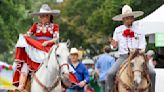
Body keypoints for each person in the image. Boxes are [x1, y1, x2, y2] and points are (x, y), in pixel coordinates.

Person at [107, 5, 156, 92]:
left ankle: (152, 90)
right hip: (123, 57)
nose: (129, 20)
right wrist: (114, 46)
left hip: (138, 57)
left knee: (152, 73)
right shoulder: (118, 30)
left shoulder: (139, 30)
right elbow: (114, 47)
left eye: (130, 18)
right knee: (110, 74)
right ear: (123, 19)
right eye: (126, 18)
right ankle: (111, 90)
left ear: (133, 18)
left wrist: (137, 51)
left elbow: (143, 44)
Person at [13, 4, 60, 91]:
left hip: (48, 49)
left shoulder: (55, 26)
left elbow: (56, 38)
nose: (44, 17)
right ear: (39, 17)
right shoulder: (35, 25)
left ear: (50, 16)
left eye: (46, 15)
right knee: (26, 63)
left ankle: (62, 85)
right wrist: (23, 36)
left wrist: (48, 42)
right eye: (42, 16)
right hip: (36, 48)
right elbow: (28, 34)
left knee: (60, 63)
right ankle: (21, 85)